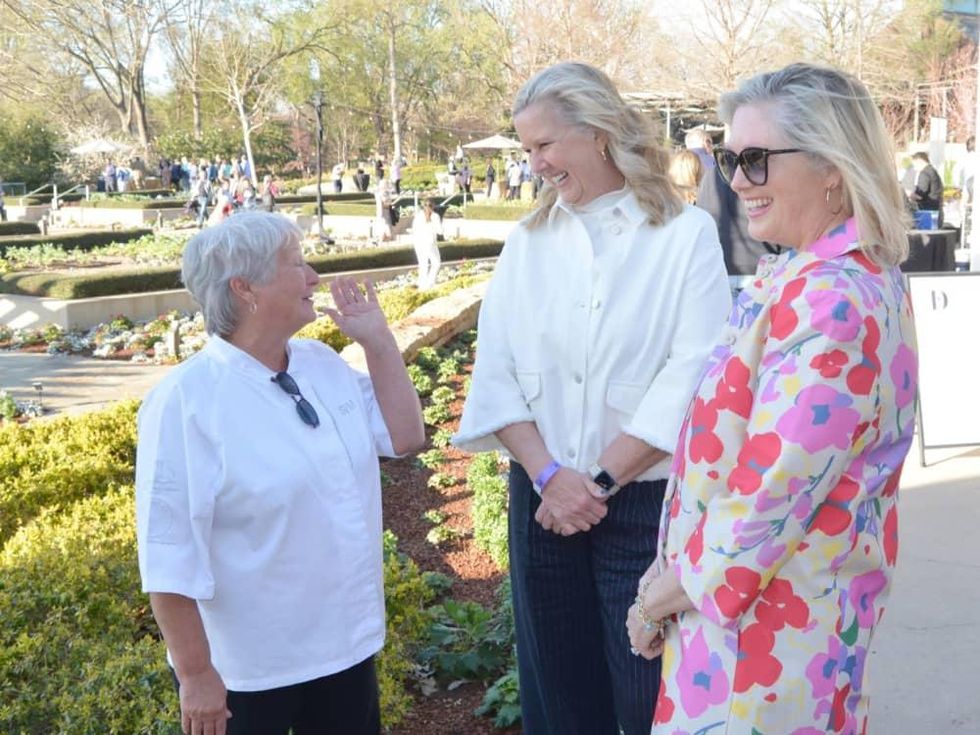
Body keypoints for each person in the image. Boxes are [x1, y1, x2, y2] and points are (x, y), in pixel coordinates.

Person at [626, 63, 919, 734]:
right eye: (731, 158)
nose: (734, 181)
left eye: (756, 161)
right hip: (765, 638)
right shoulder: (816, 274)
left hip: (766, 657)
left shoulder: (834, 299)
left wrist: (657, 599)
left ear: (833, 168)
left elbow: (770, 492)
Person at [453, 61, 730, 735]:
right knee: (557, 692)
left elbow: (695, 370)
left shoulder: (684, 235)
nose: (534, 164)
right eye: (525, 149)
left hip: (643, 504)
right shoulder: (526, 243)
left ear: (599, 132)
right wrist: (550, 476)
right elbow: (497, 371)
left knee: (645, 692)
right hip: (543, 503)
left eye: (544, 145)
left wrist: (598, 480)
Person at [135, 212, 425, 735]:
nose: (314, 276)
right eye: (296, 264)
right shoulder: (185, 402)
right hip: (251, 671)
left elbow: (405, 437)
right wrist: (196, 675)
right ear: (244, 288)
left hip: (345, 647)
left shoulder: (320, 365)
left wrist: (378, 343)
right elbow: (168, 552)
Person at [697, 160, 780, 276]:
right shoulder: (713, 177)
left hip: (727, 269)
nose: (736, 184)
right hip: (762, 269)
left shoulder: (711, 176)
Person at [412, 198, 443, 290]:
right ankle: (429, 283)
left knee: (423, 264)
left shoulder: (418, 216)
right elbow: (440, 231)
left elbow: (414, 229)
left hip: (418, 242)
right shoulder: (435, 216)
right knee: (436, 263)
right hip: (429, 243)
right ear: (433, 206)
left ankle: (422, 285)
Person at [911, 151, 944, 225]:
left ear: (919, 161)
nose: (914, 168)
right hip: (936, 212)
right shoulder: (933, 172)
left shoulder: (924, 173)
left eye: (914, 165)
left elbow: (920, 195)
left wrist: (909, 195)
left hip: (926, 214)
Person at [374, 177, 395, 242]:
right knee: (385, 227)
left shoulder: (387, 193)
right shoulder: (379, 194)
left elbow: (389, 202)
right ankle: (383, 239)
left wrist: (390, 205)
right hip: (383, 213)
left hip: (387, 213)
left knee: (387, 227)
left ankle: (386, 239)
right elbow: (381, 204)